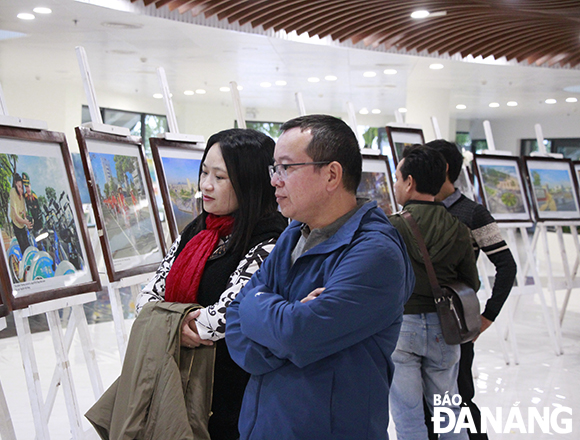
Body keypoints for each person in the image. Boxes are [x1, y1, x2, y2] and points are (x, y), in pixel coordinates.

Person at [225, 114, 415, 440]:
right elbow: (235, 319)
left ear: (331, 175)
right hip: (266, 425)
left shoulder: (375, 254)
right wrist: (284, 323)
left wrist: (273, 320)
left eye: (287, 167)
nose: (275, 179)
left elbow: (297, 334)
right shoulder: (293, 235)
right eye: (275, 168)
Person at [135, 128, 288, 440]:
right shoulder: (198, 229)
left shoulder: (269, 239)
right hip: (174, 380)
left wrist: (166, 322)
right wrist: (174, 324)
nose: (205, 185)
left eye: (220, 177)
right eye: (204, 172)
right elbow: (148, 295)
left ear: (249, 182)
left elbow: (225, 316)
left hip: (231, 393)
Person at [388, 145, 480, 440]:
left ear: (410, 182)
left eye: (397, 177)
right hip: (446, 330)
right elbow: (471, 282)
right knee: (450, 412)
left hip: (403, 329)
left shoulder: (392, 227)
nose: (395, 184)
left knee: (408, 416)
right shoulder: (458, 227)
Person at [427, 139, 517, 440]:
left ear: (445, 168)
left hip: (456, 320)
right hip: (420, 320)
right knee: (427, 406)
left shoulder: (473, 214)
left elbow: (507, 265)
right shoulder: (419, 209)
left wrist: (488, 316)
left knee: (459, 395)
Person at [9, 172, 33, 254]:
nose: (21, 190)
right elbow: (16, 216)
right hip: (16, 223)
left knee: (28, 246)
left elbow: (24, 214)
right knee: (23, 247)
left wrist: (27, 222)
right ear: (15, 184)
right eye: (19, 187)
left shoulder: (22, 196)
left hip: (22, 224)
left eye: (22, 187)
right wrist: (25, 222)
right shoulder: (12, 192)